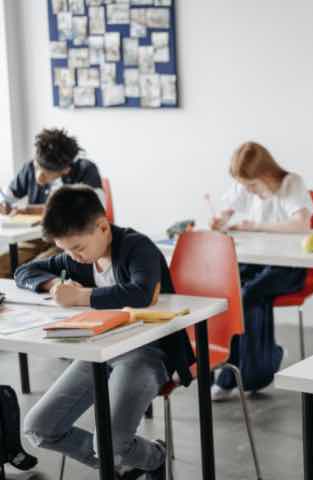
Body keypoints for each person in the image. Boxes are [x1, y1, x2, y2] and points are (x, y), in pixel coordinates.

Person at [16, 185, 193, 480]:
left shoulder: (138, 247)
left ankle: (152, 457)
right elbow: (25, 272)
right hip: (99, 352)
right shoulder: (78, 257)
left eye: (78, 248)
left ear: (102, 227)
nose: (74, 257)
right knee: (39, 427)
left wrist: (81, 297)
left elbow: (141, 293)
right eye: (67, 251)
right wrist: (54, 286)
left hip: (148, 353)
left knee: (111, 443)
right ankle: (126, 461)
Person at [209, 141, 313, 400]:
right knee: (231, 292)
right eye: (245, 186)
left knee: (250, 294)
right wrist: (220, 220)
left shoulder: (292, 184)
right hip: (257, 261)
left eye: (252, 185)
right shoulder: (245, 185)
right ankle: (261, 362)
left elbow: (301, 224)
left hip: (290, 267)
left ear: (267, 174)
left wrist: (256, 226)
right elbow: (227, 210)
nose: (249, 191)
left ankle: (235, 374)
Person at [0, 128, 103, 278]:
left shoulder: (86, 170)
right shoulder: (29, 168)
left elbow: (95, 212)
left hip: (70, 241)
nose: (39, 176)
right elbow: (6, 196)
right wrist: (4, 203)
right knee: (4, 265)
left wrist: (29, 210)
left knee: (32, 269)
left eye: (47, 172)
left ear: (65, 169)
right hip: (36, 238)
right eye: (37, 166)